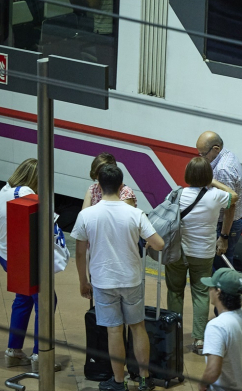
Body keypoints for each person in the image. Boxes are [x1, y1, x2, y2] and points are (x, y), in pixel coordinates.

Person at [72, 165, 165, 391]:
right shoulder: (135, 213)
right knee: (137, 327)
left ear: (99, 186)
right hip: (131, 279)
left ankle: (118, 382)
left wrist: (83, 281)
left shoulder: (87, 215)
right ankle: (144, 379)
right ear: (121, 186)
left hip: (103, 281)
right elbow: (159, 244)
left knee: (114, 330)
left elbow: (80, 252)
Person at [0, 158, 64, 372]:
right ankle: (40, 356)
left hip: (7, 255)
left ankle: (14, 352)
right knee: (45, 301)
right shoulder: (26, 194)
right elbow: (49, 225)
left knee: (23, 300)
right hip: (25, 259)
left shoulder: (5, 190)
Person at [165, 157, 238, 353]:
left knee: (175, 291)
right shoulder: (216, 196)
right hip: (203, 253)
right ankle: (199, 339)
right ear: (208, 175)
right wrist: (212, 181)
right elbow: (234, 196)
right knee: (200, 293)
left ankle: (173, 334)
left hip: (177, 252)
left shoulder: (178, 194)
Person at [198, 268, 242, 391]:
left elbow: (213, 370)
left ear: (218, 292)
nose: (209, 290)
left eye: (211, 287)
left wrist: (202, 385)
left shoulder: (217, 326)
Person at [196, 131, 242, 272]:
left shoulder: (223, 170)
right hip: (230, 222)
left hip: (225, 225)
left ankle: (224, 294)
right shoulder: (227, 154)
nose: (202, 158)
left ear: (216, 149)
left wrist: (224, 237)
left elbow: (230, 204)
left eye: (204, 154)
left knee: (220, 270)